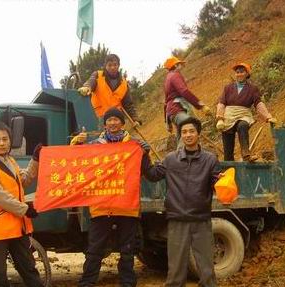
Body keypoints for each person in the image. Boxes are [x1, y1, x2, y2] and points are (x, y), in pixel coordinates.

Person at [71, 107, 150, 287]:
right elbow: (77, 162)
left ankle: (128, 283)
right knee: (95, 249)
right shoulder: (95, 146)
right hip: (101, 206)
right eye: (109, 120)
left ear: (122, 123)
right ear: (104, 123)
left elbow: (145, 170)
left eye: (116, 119)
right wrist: (76, 144)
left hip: (127, 206)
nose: (113, 123)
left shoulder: (134, 145)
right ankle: (87, 283)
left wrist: (146, 154)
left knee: (127, 249)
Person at [144, 117, 219, 287]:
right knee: (176, 270)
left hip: (201, 220)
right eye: (184, 132)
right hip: (177, 219)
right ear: (180, 136)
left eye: (191, 131)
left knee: (206, 268)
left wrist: (223, 182)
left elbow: (217, 183)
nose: (188, 135)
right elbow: (153, 175)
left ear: (198, 134)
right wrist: (144, 156)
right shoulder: (171, 159)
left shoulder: (210, 160)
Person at [0, 122, 44, 287]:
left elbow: (24, 180)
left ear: (10, 141)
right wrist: (25, 209)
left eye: (5, 139)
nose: (2, 143)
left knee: (28, 268)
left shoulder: (10, 161)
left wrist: (35, 160)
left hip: (17, 225)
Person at [215, 63, 277, 161]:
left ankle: (246, 154)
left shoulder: (253, 89)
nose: (239, 74)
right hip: (229, 116)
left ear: (247, 73)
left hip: (244, 114)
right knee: (228, 149)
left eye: (242, 72)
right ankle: (229, 167)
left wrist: (268, 116)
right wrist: (220, 118)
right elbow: (221, 103)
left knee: (243, 125)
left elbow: (258, 104)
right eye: (237, 72)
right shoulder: (228, 88)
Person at [78, 54, 141, 125]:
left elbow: (128, 105)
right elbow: (91, 81)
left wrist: (135, 119)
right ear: (105, 66)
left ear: (118, 65)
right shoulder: (97, 75)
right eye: (109, 65)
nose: (112, 67)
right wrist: (87, 87)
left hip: (116, 119)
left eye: (115, 65)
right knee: (100, 136)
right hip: (99, 118)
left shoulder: (124, 83)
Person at [163, 56, 211, 134]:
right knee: (189, 127)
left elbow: (166, 103)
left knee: (182, 135)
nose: (181, 66)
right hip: (177, 109)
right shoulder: (175, 75)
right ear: (175, 65)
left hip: (172, 112)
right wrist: (201, 105)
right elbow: (184, 91)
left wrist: (167, 122)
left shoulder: (167, 79)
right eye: (179, 64)